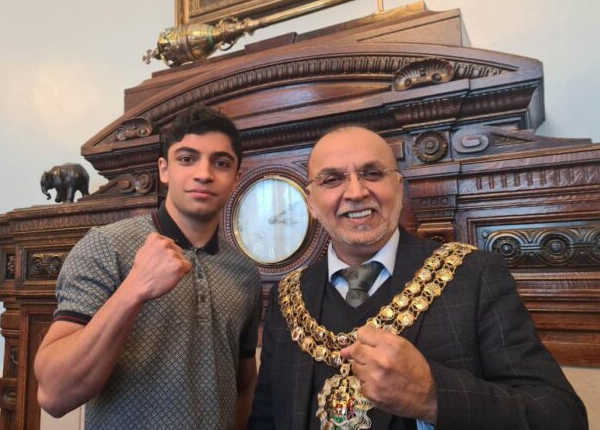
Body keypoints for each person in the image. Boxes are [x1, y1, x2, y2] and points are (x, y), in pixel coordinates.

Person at [249, 125, 587, 430]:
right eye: (332, 179)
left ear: (398, 187)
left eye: (372, 173)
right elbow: (266, 418)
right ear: (311, 201)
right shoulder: (288, 296)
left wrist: (433, 397)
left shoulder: (474, 275)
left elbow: (561, 416)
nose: (355, 192)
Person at [34, 105, 262, 430]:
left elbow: (243, 388)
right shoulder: (105, 246)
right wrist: (134, 289)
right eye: (187, 159)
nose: (204, 173)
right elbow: (55, 395)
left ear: (236, 177)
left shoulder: (244, 273)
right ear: (164, 169)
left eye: (221, 163)